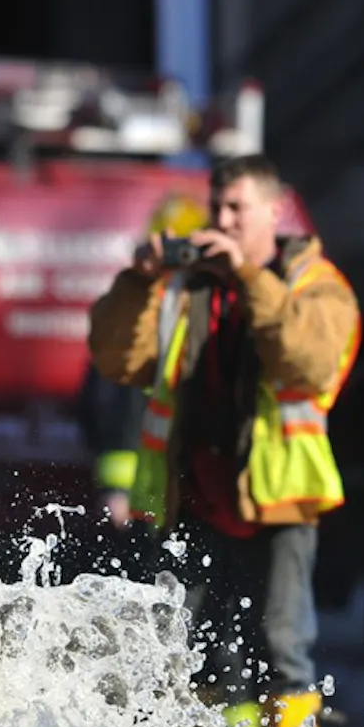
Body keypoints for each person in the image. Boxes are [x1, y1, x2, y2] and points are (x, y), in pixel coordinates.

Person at [87, 154, 361, 727]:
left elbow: (305, 361)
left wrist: (247, 275)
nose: (223, 220)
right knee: (190, 661)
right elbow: (115, 357)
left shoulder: (317, 284)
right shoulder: (190, 288)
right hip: (198, 502)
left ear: (274, 211)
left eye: (237, 208)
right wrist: (138, 280)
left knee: (284, 658)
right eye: (218, 208)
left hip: (279, 506)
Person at [76, 193, 209, 579]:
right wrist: (116, 487)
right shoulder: (149, 309)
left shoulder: (185, 307)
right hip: (142, 493)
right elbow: (109, 399)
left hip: (177, 491)